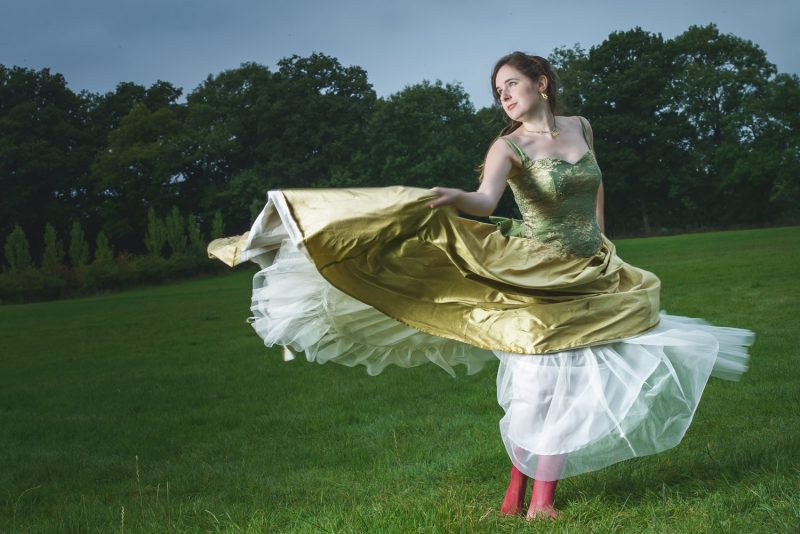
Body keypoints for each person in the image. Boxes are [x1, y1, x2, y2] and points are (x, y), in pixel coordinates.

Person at [208, 51, 754, 521]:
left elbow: (595, 184)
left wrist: (605, 242)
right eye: (498, 92)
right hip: (536, 271)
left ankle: (520, 497)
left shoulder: (580, 126)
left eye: (511, 84)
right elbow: (485, 200)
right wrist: (456, 198)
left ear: (541, 82)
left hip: (593, 268)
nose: (505, 97)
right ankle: (535, 501)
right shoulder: (508, 147)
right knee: (542, 386)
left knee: (574, 384)